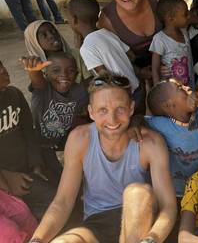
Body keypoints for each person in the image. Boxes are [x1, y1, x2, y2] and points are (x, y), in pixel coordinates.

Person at [30, 73, 178, 243]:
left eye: (120, 109)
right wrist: (37, 240)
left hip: (142, 220)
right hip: (98, 223)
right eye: (103, 110)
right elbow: (63, 201)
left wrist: (152, 239)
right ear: (91, 112)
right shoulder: (80, 139)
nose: (112, 119)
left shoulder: (150, 143)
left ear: (131, 108)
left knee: (137, 192)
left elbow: (168, 206)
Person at [0, 60, 57, 220]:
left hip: (27, 168)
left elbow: (28, 132)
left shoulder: (14, 94)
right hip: (5, 178)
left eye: (1, 65)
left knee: (61, 194)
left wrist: (36, 164)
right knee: (50, 202)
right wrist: (6, 177)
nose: (4, 70)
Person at [68, 0, 144, 113]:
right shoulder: (108, 34)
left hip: (124, 95)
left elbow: (103, 75)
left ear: (74, 19)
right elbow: (131, 55)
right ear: (97, 18)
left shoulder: (86, 47)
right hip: (138, 88)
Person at [22, 53, 89, 180]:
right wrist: (34, 71)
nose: (63, 74)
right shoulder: (42, 89)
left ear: (76, 73)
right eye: (56, 70)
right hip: (41, 143)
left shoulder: (79, 91)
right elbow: (37, 80)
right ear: (46, 74)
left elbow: (85, 111)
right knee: (58, 178)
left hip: (62, 139)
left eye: (70, 71)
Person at [145, 79, 198, 197]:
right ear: (169, 106)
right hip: (174, 193)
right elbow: (138, 120)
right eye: (180, 88)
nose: (188, 88)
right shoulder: (159, 124)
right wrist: (136, 123)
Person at [99, 0, 164, 69]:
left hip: (167, 60)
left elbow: (180, 24)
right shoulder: (107, 20)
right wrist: (139, 73)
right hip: (135, 70)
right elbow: (113, 58)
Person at [24, 19, 92, 84]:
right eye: (44, 35)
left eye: (54, 31)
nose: (51, 36)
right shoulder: (37, 68)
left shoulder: (76, 54)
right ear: (34, 42)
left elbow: (89, 81)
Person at [150, 0, 194, 87]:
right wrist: (158, 90)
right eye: (185, 14)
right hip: (172, 90)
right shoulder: (160, 39)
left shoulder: (184, 31)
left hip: (189, 84)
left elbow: (196, 20)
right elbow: (155, 69)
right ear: (171, 19)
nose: (189, 16)